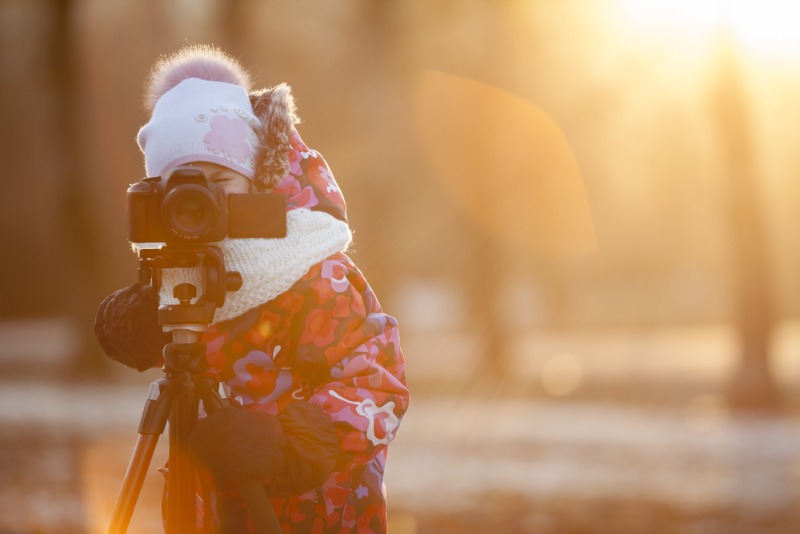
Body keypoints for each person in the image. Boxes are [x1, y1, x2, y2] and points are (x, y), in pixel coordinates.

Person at [94, 44, 409, 533]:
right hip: (212, 511)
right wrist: (131, 324)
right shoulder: (183, 269)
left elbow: (378, 384)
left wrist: (286, 445)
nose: (203, 203)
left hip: (312, 509)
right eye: (183, 189)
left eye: (221, 180)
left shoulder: (312, 267)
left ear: (257, 178)